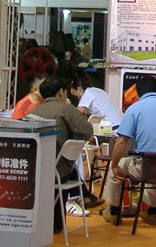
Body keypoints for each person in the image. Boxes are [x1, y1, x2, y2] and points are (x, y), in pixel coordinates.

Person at [100, 75, 156, 225]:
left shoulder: (134, 109)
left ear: (137, 93)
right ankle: (152, 213)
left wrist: (114, 165)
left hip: (146, 167)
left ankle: (113, 212)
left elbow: (122, 141)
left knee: (117, 168)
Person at [29, 76, 103, 231]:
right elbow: (88, 132)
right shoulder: (67, 110)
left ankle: (83, 197)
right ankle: (79, 200)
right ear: (61, 92)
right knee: (67, 168)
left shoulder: (33, 112)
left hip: (33, 169)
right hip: (58, 171)